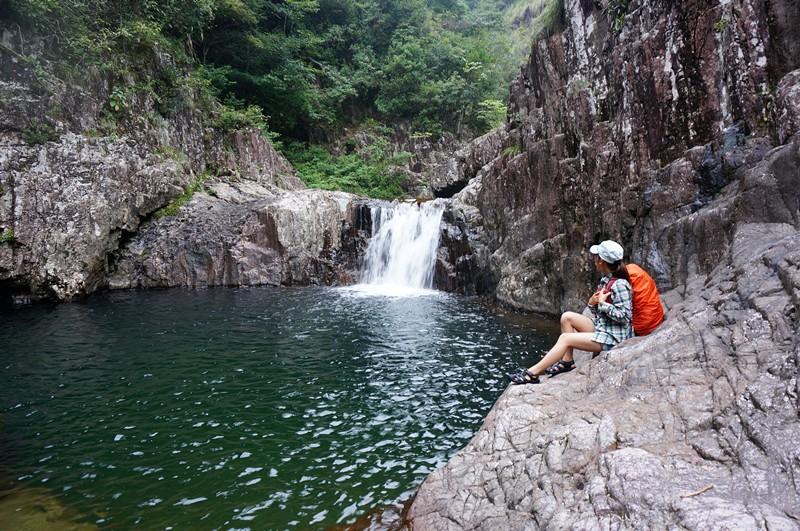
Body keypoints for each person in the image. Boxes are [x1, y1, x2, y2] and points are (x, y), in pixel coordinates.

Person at [510, 240, 634, 385]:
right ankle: (567, 361)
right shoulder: (606, 280)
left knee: (565, 339)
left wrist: (603, 304)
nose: (594, 259)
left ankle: (532, 373)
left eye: (596, 257)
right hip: (605, 328)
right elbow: (600, 312)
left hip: (614, 338)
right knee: (567, 317)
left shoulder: (620, 284)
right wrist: (592, 304)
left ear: (602, 261)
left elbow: (626, 317)